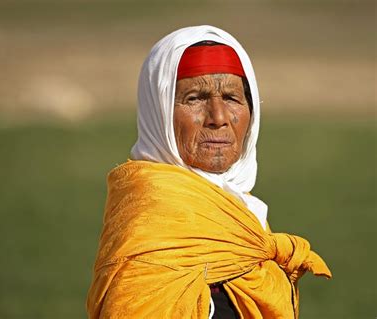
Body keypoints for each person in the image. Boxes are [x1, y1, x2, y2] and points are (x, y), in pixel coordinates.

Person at [86, 25, 331, 318]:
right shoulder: (149, 232)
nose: (218, 117)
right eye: (195, 98)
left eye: (231, 98)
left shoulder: (243, 217)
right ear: (159, 113)